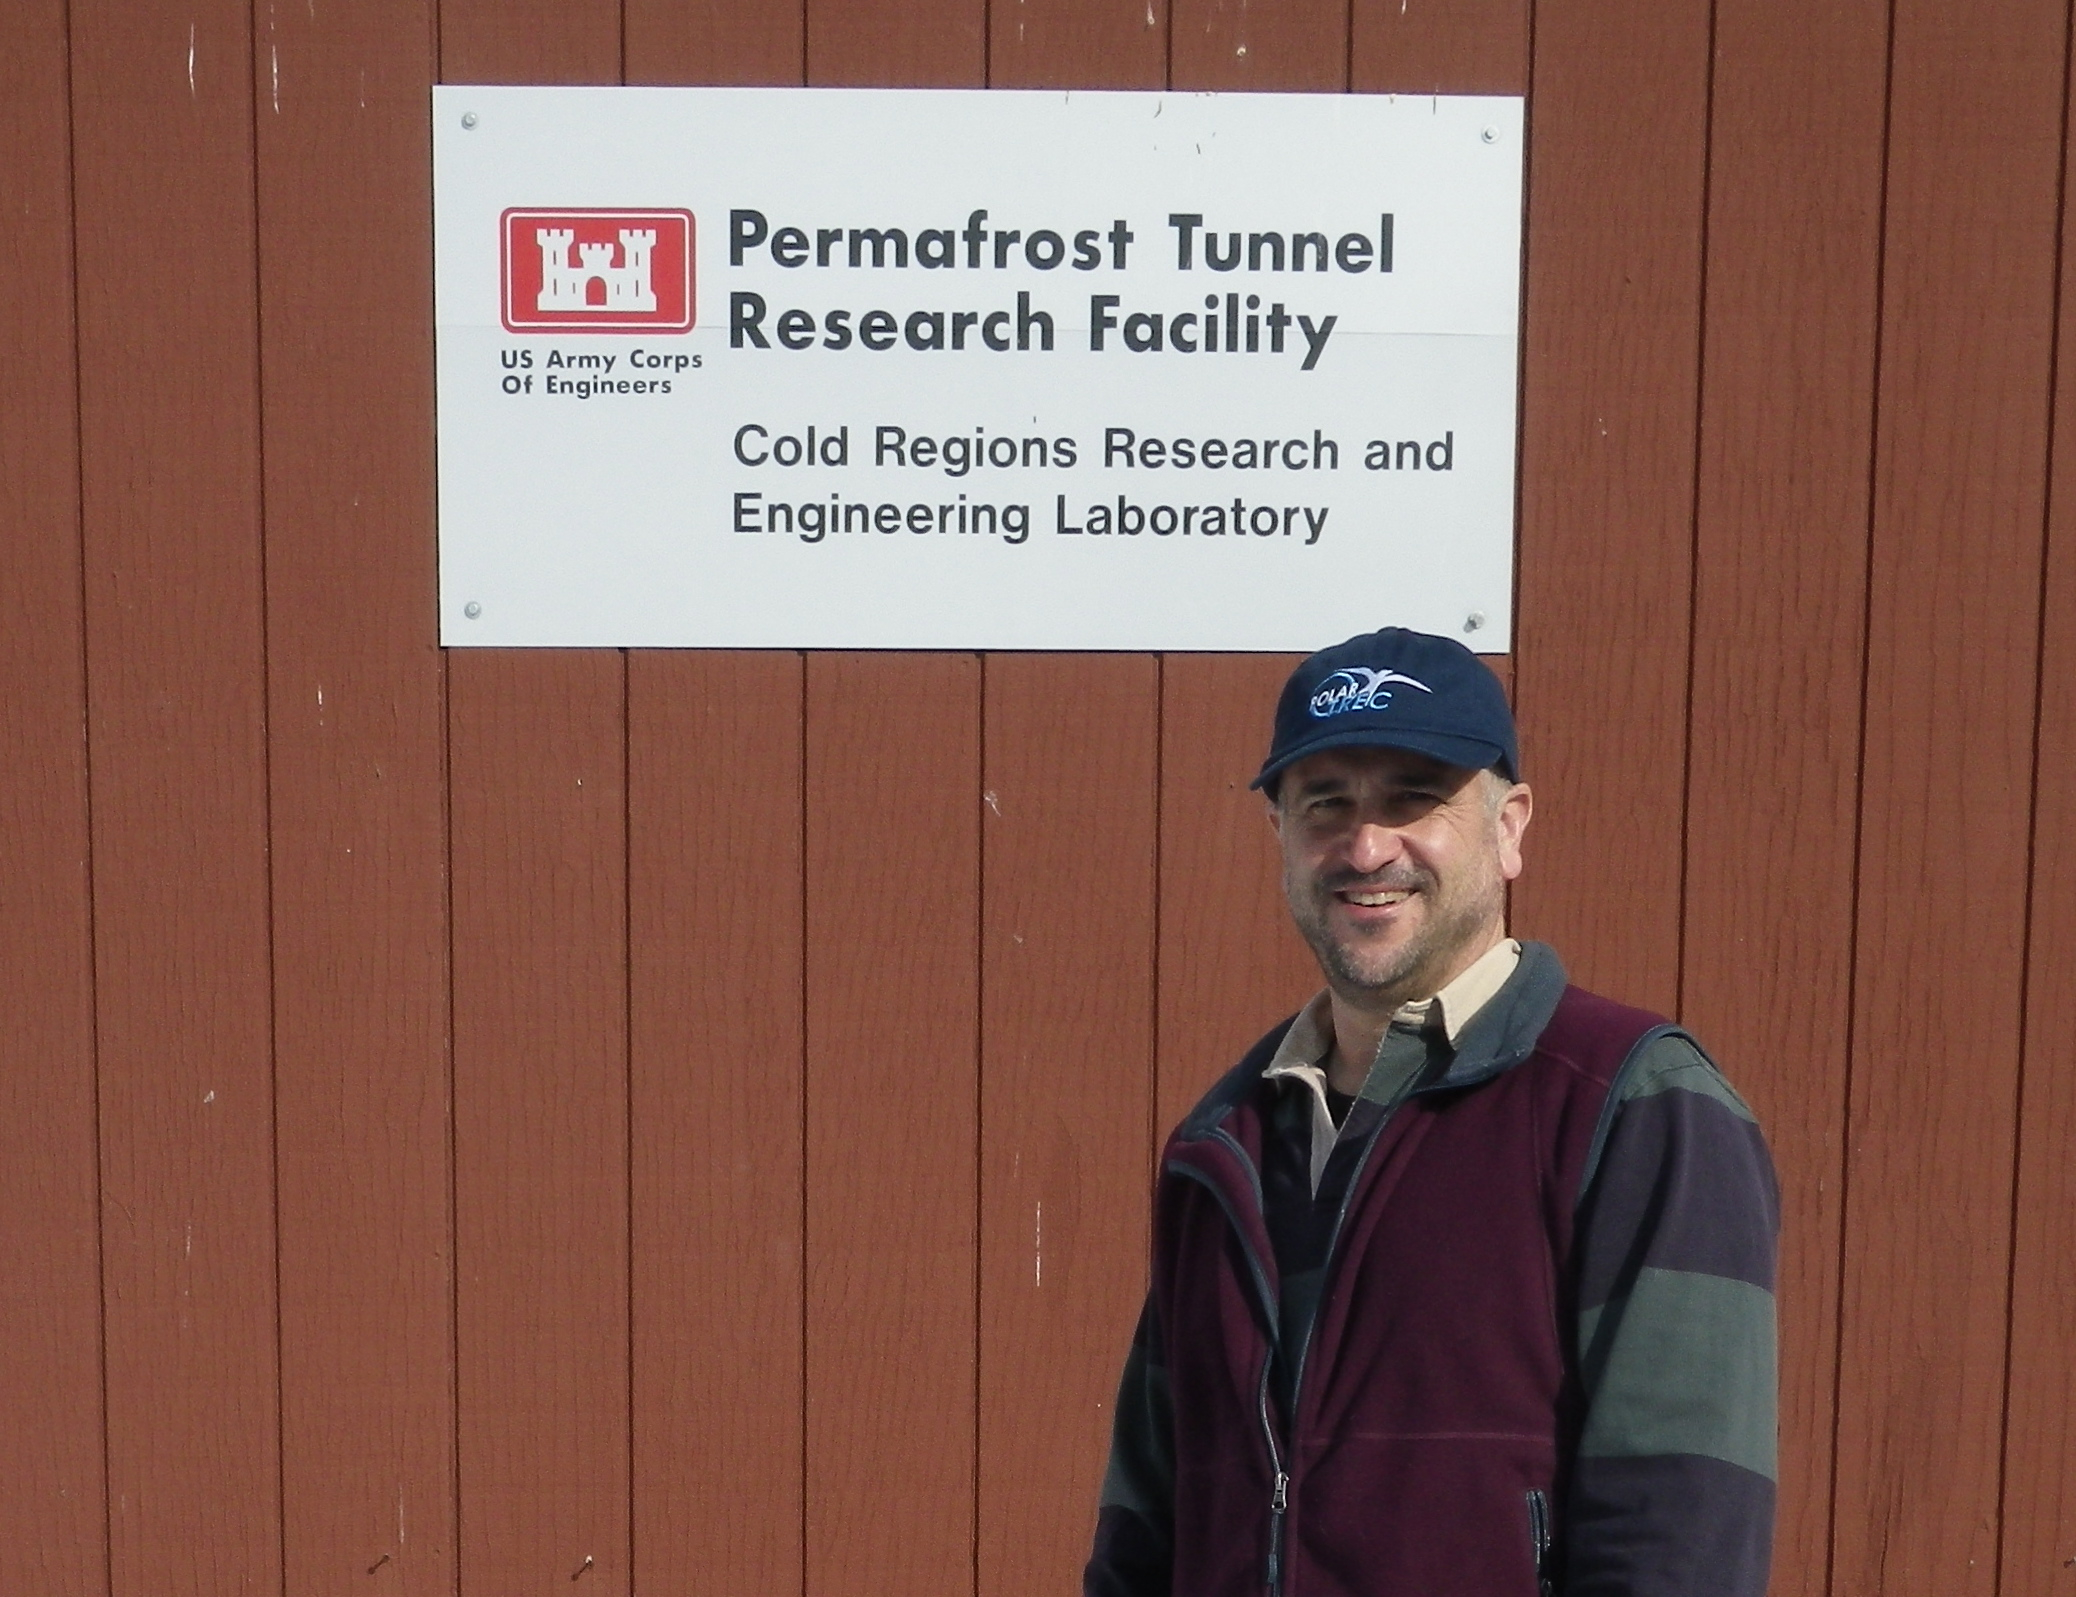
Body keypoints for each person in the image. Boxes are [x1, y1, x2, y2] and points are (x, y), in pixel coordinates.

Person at [1085, 626, 1779, 1597]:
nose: (1367, 846)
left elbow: (1682, 1534)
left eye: (1414, 797)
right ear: (1279, 833)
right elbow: (1144, 1531)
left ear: (1509, 827)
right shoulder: (1224, 1144)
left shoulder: (1634, 1105)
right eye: (1327, 803)